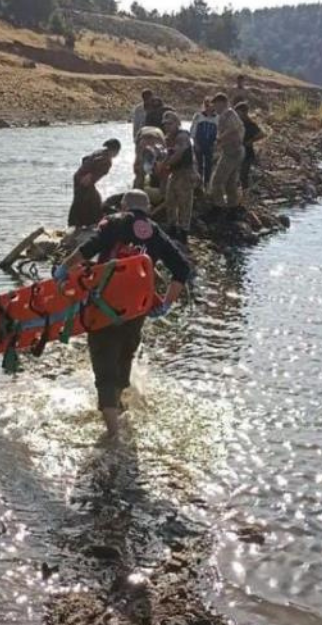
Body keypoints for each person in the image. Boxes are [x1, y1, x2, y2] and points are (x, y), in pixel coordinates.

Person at [52, 190, 192, 439]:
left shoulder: (115, 223)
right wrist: (166, 304)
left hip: (103, 307)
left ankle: (113, 436)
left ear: (125, 205)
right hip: (135, 311)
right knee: (124, 358)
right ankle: (118, 410)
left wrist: (63, 268)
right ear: (147, 208)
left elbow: (87, 249)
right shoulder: (156, 233)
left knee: (104, 367)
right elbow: (182, 270)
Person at [158, 111, 197, 243]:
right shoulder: (169, 137)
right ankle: (172, 227)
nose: (167, 126)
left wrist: (164, 164)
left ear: (177, 123)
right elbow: (166, 154)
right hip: (174, 173)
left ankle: (183, 232)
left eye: (170, 124)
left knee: (184, 203)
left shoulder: (182, 136)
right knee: (170, 200)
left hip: (185, 172)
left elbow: (178, 154)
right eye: (165, 124)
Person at [68, 138, 122, 228]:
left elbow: (85, 159)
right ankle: (83, 223)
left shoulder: (100, 152)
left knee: (90, 200)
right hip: (84, 179)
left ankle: (80, 223)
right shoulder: (106, 160)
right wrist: (88, 177)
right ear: (114, 150)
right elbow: (96, 163)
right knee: (87, 201)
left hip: (80, 177)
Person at [207, 93, 245, 213]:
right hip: (233, 150)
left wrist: (220, 139)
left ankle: (219, 207)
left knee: (217, 181)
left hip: (232, 151)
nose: (215, 107)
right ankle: (233, 206)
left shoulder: (228, 113)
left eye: (216, 104)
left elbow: (233, 128)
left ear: (222, 103)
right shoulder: (225, 115)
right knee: (230, 182)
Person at [237, 102, 267, 191]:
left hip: (247, 153)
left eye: (238, 112)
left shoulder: (249, 124)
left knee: (243, 175)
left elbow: (262, 134)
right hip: (238, 153)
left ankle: (245, 194)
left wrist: (251, 141)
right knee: (238, 176)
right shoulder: (238, 123)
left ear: (243, 112)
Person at [190, 96, 218, 189]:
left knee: (209, 165)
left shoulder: (217, 118)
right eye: (209, 104)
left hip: (210, 145)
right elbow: (193, 131)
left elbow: (219, 133)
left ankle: (207, 184)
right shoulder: (198, 116)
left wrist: (216, 146)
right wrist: (195, 143)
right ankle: (198, 185)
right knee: (199, 165)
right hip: (199, 143)